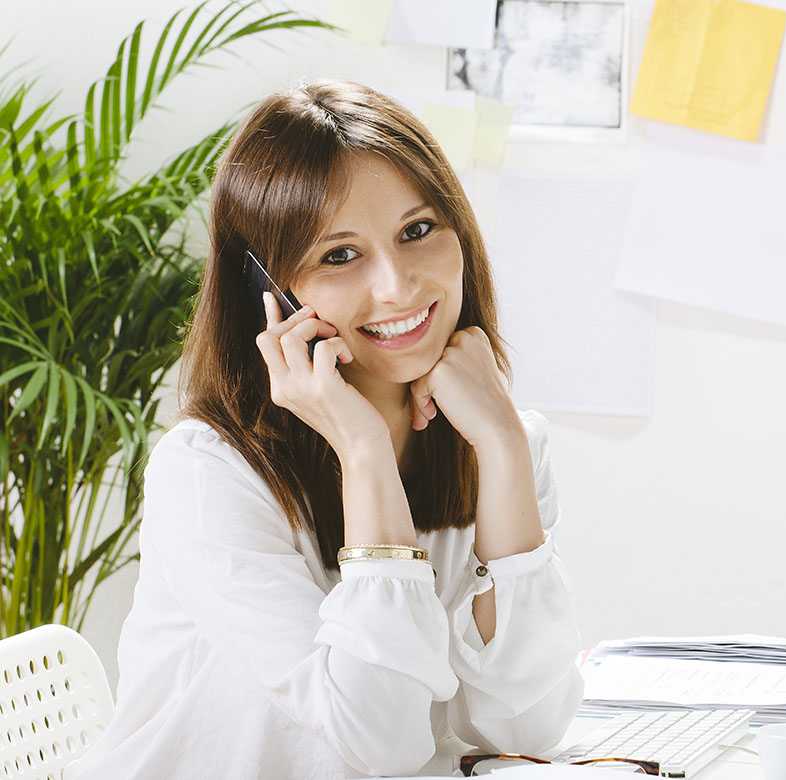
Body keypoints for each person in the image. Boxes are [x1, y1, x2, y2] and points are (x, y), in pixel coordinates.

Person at [68, 80, 584, 780]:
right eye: (339, 256)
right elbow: (380, 745)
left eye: (417, 230)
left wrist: (502, 448)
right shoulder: (206, 474)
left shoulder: (498, 443)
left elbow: (522, 729)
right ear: (269, 295)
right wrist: (364, 449)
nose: (398, 287)